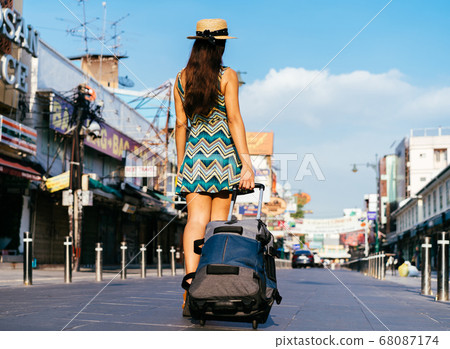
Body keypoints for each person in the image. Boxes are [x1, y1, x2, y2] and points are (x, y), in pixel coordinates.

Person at [174, 18, 255, 315]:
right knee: (216, 227)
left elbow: (180, 125)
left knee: (195, 221)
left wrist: (182, 162)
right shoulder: (227, 75)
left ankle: (189, 293)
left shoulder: (181, 78)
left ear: (195, 44)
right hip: (222, 157)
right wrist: (247, 164)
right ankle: (209, 291)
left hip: (194, 156)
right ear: (220, 45)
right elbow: (234, 120)